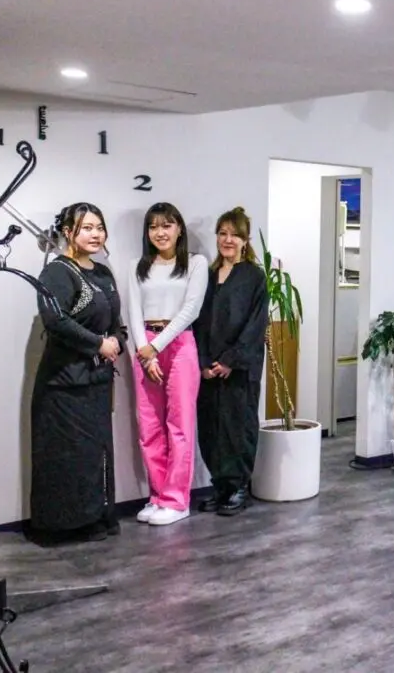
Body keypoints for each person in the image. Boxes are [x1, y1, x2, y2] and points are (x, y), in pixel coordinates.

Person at [30, 203, 124, 542]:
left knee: (94, 454)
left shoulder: (103, 274)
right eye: (87, 228)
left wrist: (116, 341)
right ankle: (64, 526)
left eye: (99, 227)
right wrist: (98, 344)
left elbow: (117, 323)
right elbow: (56, 321)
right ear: (68, 232)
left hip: (97, 382)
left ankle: (95, 516)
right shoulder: (57, 272)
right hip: (64, 384)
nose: (95, 234)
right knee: (66, 454)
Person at [127, 202, 208, 526]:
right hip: (144, 345)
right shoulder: (137, 266)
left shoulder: (196, 263)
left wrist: (155, 347)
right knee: (149, 426)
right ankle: (158, 496)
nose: (160, 232)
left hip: (179, 344)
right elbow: (133, 312)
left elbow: (192, 309)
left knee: (180, 424)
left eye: (167, 225)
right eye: (153, 226)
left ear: (179, 229)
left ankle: (177, 500)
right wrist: (144, 350)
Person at [195, 207, 269, 515]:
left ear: (245, 240)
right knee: (211, 427)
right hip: (209, 370)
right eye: (223, 233)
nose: (228, 240)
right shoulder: (208, 276)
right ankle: (220, 486)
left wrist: (229, 360)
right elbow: (198, 321)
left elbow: (255, 325)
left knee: (237, 427)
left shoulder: (254, 277)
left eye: (235, 235)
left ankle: (238, 487)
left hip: (239, 369)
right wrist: (203, 362)